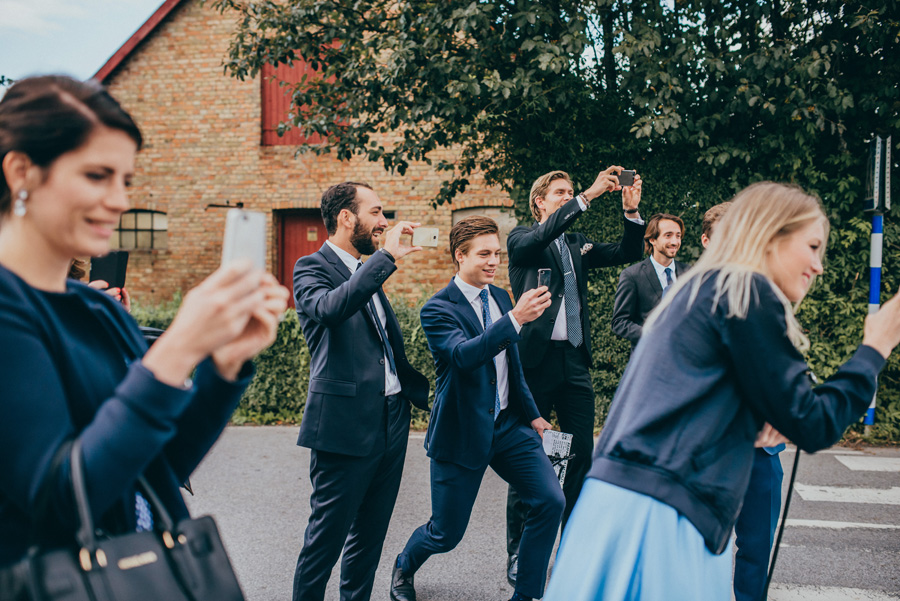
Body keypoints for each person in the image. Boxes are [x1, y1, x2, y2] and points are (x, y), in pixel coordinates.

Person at [543, 181, 900, 600]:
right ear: (771, 236)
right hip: (665, 517)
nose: (818, 266)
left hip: (618, 505)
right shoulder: (745, 291)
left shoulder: (703, 288)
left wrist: (753, 412)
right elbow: (812, 423)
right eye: (813, 246)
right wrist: (877, 345)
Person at [0, 75, 288, 566]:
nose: (118, 200)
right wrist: (176, 349)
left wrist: (222, 366)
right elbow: (60, 502)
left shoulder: (100, 309)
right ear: (21, 170)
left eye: (125, 180)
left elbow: (159, 468)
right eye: (97, 175)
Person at [390, 216, 564, 601]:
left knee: (550, 501)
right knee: (445, 533)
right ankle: (404, 564)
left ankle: (526, 595)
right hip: (461, 430)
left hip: (507, 425)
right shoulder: (437, 309)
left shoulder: (501, 297)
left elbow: (512, 367)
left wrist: (532, 413)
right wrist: (516, 318)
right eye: (484, 254)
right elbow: (463, 356)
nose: (493, 261)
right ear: (460, 256)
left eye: (497, 254)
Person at [505, 167, 645, 585]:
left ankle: (570, 549)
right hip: (535, 362)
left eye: (569, 192)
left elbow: (626, 252)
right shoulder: (521, 240)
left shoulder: (577, 243)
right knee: (531, 459)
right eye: (559, 193)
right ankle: (519, 553)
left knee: (579, 455)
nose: (566, 197)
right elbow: (541, 236)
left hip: (574, 362)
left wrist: (631, 214)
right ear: (540, 203)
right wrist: (585, 195)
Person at [291, 182, 430, 601]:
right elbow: (331, 310)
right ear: (346, 218)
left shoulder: (366, 273)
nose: (384, 222)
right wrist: (387, 256)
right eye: (376, 212)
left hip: (391, 420)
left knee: (369, 539)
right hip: (344, 425)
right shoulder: (310, 267)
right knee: (325, 542)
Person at [700, 201, 787, 601]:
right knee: (702, 550)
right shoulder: (690, 297)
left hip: (763, 453)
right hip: (710, 449)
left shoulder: (771, 295)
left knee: (757, 549)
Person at [611, 213, 688, 348]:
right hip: (650, 357)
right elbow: (619, 322)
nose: (675, 242)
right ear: (652, 239)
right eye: (668, 235)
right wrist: (651, 334)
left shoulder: (690, 273)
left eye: (678, 236)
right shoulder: (632, 275)